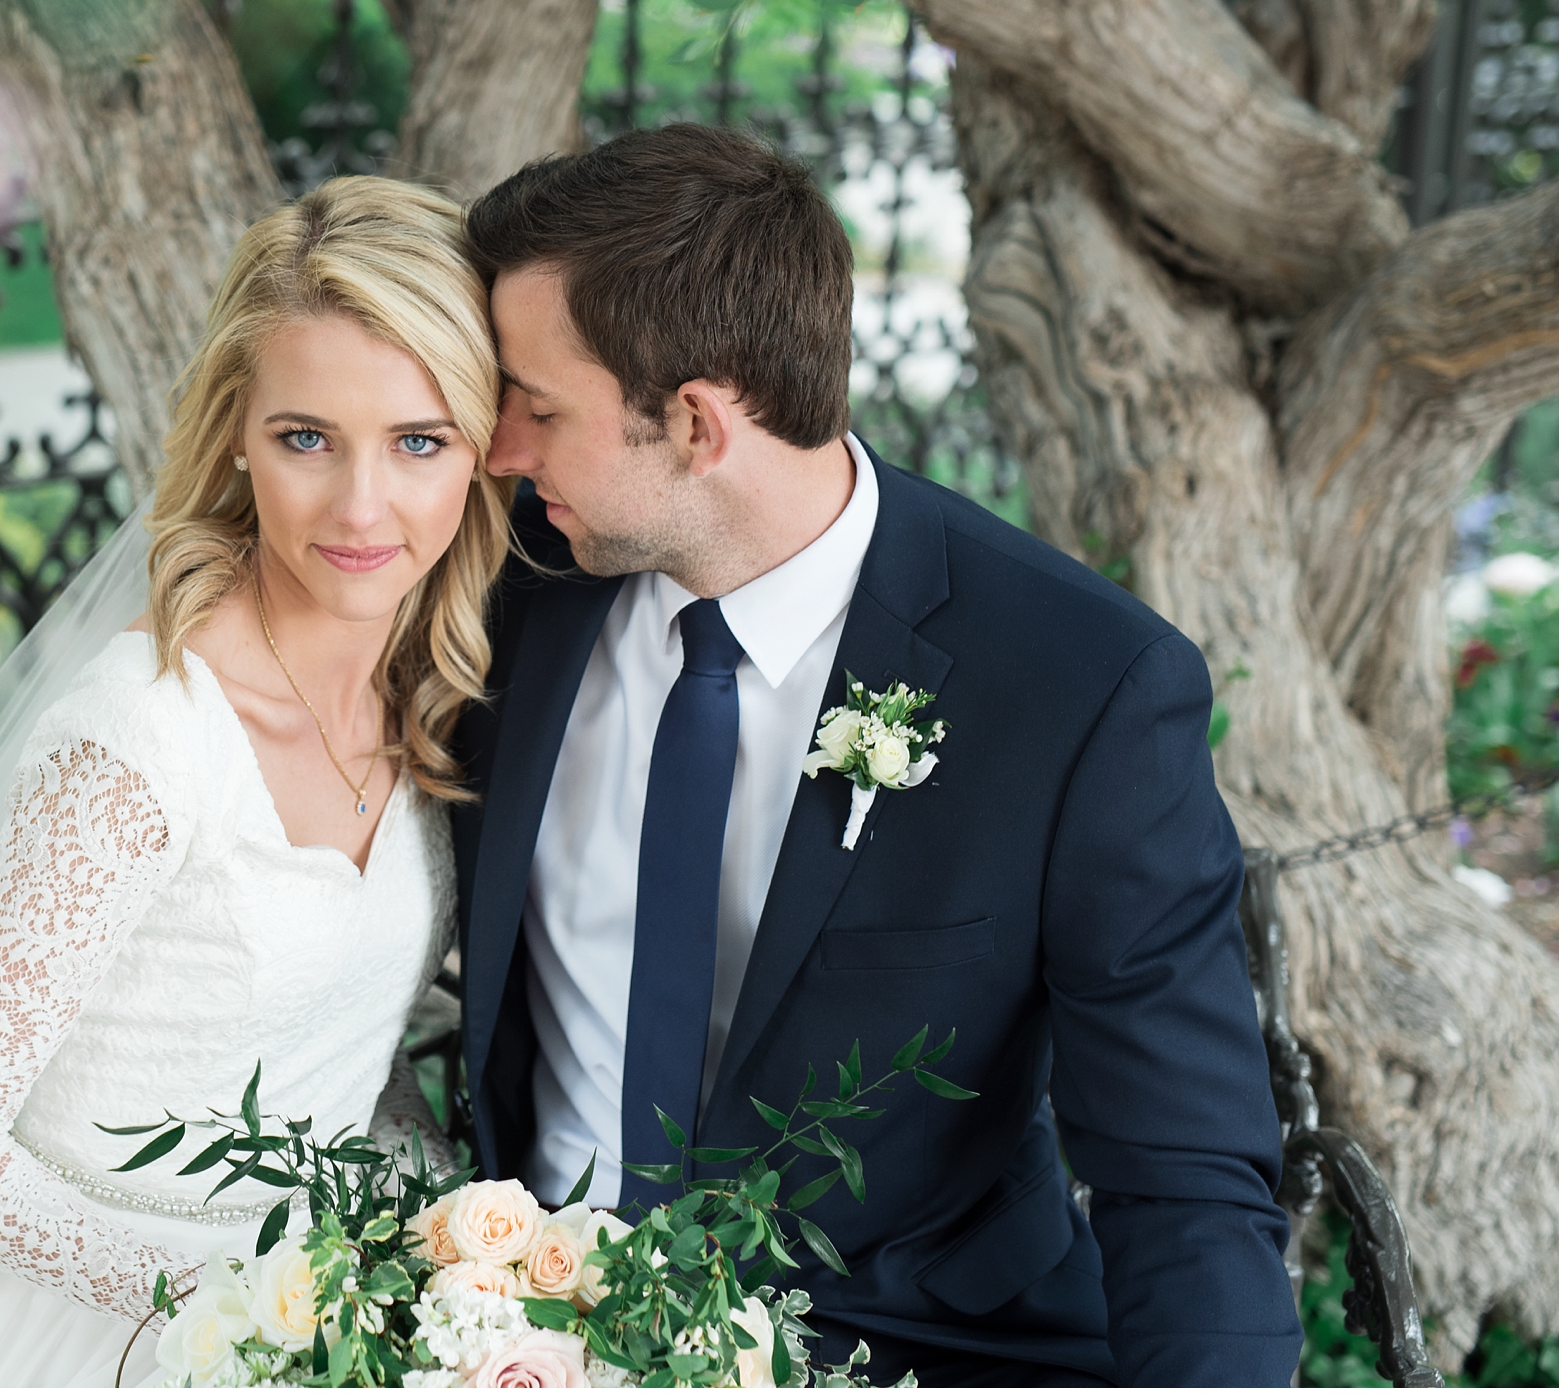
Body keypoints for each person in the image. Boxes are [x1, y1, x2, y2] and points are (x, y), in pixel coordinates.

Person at [450, 123, 1302, 1386]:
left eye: (535, 407)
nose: (497, 451)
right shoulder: (495, 580)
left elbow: (1179, 1170)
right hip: (516, 1326)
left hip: (910, 1345)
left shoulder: (1077, 690)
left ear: (694, 423)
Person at [0, 175, 506, 1386]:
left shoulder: (421, 698)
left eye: (417, 442)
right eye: (305, 438)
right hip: (55, 1332)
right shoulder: (145, 741)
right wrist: (243, 1309)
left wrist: (426, 1247)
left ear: (482, 450)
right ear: (235, 432)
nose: (361, 506)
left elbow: (331, 1049)